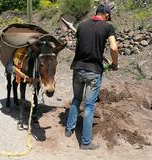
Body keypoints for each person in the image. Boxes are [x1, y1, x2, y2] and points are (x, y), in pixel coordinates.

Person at [65, 4, 118, 150]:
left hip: (78, 68)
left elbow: (80, 46)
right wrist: (114, 63)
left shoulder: (81, 26)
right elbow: (113, 48)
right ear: (106, 15)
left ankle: (69, 129)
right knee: (89, 106)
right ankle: (86, 142)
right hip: (93, 71)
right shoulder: (107, 27)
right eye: (109, 15)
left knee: (76, 99)